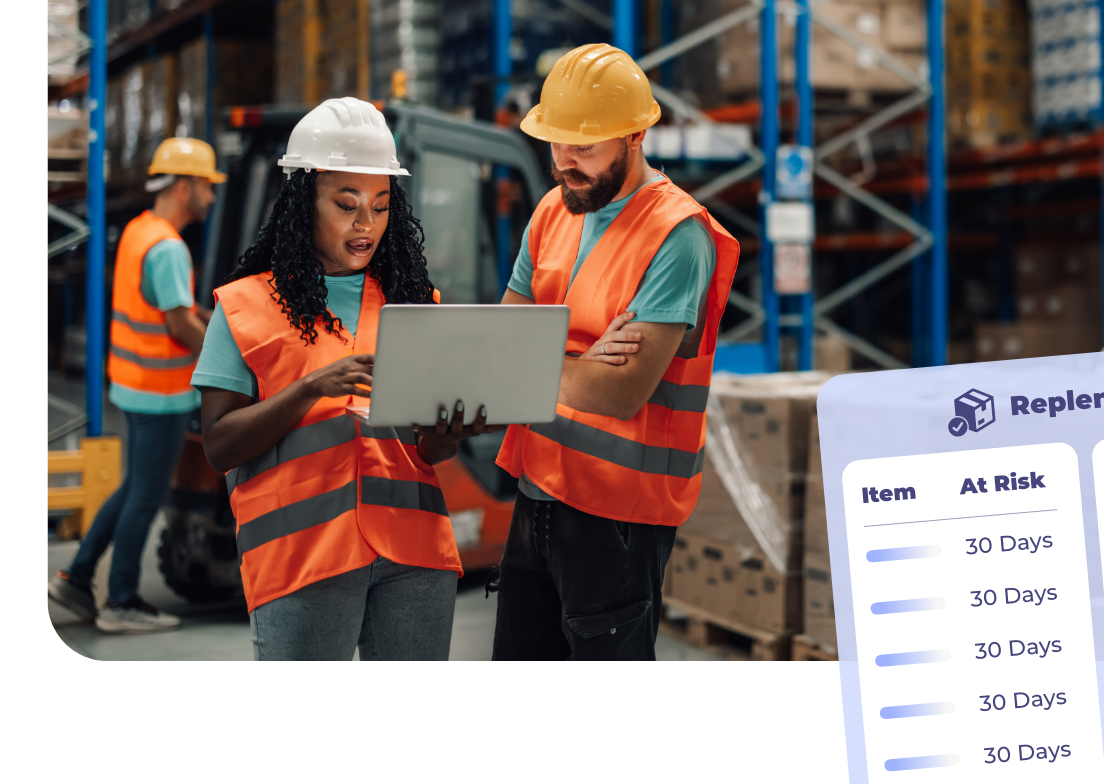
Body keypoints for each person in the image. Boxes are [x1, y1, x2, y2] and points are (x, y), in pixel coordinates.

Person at [195, 97, 492, 667]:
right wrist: (310, 388)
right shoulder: (245, 307)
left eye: (381, 207)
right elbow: (219, 445)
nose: (366, 224)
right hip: (303, 558)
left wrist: (449, 435)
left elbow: (425, 449)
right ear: (303, 202)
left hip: (414, 554)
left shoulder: (415, 303)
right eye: (346, 204)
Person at [491, 43, 740, 667]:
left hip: (619, 514)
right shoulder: (553, 211)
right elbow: (499, 348)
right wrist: (582, 360)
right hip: (536, 489)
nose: (564, 163)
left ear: (635, 135)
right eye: (556, 143)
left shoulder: (678, 236)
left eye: (585, 146)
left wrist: (548, 362)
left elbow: (620, 391)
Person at [48, 138, 222, 633]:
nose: (212, 197)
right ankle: (120, 598)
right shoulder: (169, 249)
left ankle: (79, 577)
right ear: (185, 186)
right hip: (161, 393)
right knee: (146, 495)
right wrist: (224, 350)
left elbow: (174, 311)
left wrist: (214, 319)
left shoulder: (140, 232)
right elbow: (178, 325)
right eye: (208, 186)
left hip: (133, 385)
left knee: (133, 488)